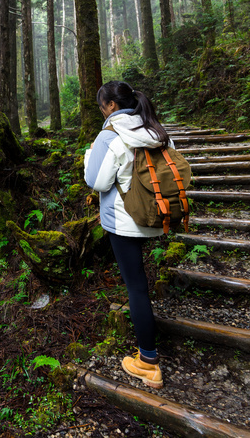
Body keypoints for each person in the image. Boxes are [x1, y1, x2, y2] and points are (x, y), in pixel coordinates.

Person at [83, 80, 171, 389]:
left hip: (124, 222)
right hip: (155, 215)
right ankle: (146, 352)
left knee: (136, 288)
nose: (100, 112)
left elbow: (97, 182)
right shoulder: (155, 131)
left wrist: (88, 155)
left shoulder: (110, 136)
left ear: (110, 107)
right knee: (139, 283)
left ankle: (148, 362)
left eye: (100, 106)